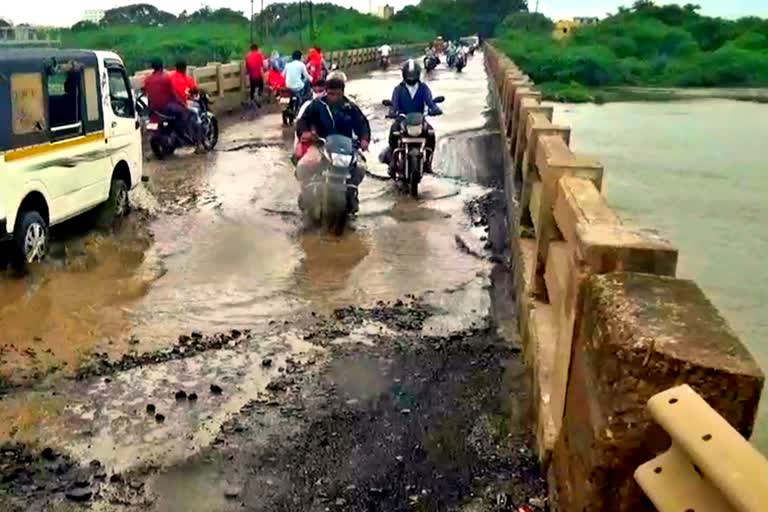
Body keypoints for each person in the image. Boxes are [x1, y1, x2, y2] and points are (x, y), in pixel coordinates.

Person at [295, 76, 371, 212]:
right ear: (326, 92)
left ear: (342, 93)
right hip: (321, 145)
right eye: (330, 93)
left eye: (337, 94)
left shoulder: (350, 107)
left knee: (360, 167)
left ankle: (352, 191)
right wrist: (305, 132)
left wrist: (364, 139)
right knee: (303, 166)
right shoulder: (317, 105)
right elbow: (303, 121)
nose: (333, 97)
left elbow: (362, 124)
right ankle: (306, 194)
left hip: (346, 147)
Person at [381, 59, 442, 174]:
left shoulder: (424, 88)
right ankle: (393, 161)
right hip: (402, 120)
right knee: (393, 131)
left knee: (431, 134)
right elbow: (394, 104)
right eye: (409, 75)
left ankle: (428, 162)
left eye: (413, 75)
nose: (411, 78)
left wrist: (435, 109)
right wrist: (392, 112)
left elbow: (430, 102)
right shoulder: (398, 89)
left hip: (419, 119)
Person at [144, 58, 204, 153]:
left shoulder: (147, 79)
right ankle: (197, 143)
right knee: (188, 113)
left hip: (154, 109)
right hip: (167, 107)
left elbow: (147, 95)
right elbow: (174, 95)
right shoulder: (166, 78)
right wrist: (183, 105)